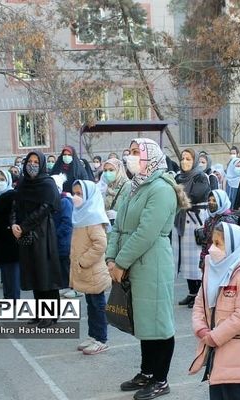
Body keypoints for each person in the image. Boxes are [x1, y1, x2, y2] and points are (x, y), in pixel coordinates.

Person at [108, 138, 188, 399]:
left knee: (158, 321)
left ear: (150, 156)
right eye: (129, 152)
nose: (129, 157)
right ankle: (147, 371)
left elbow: (146, 232)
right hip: (130, 261)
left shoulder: (161, 189)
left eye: (135, 152)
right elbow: (118, 226)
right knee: (143, 319)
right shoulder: (134, 186)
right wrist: (111, 258)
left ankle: (161, 378)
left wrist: (120, 262)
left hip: (151, 262)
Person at [190, 222, 240, 400]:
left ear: (233, 247)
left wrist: (215, 336)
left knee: (236, 395)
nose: (212, 249)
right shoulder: (212, 269)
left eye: (218, 244)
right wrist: (200, 329)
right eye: (212, 243)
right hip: (214, 349)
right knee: (217, 393)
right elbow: (200, 303)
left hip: (237, 351)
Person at [11, 151, 62, 329]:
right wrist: (14, 225)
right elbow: (15, 205)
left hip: (42, 233)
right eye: (29, 161)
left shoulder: (47, 183)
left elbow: (46, 208)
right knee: (32, 271)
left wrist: (23, 226)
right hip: (25, 233)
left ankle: (51, 315)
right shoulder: (23, 183)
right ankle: (39, 313)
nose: (32, 164)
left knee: (44, 272)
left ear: (41, 164)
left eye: (35, 161)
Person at [70, 179, 111, 355]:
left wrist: (83, 261)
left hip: (93, 271)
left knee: (98, 306)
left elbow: (100, 244)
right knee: (91, 305)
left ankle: (101, 339)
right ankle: (93, 335)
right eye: (75, 193)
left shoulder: (93, 217)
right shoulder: (81, 215)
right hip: (86, 273)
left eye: (80, 194)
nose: (76, 197)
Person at [174, 148, 211, 309]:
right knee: (185, 258)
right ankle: (191, 292)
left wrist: (177, 195)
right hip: (181, 219)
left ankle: (199, 293)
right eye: (183, 158)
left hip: (195, 220)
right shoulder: (178, 176)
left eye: (188, 159)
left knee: (196, 257)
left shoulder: (201, 177)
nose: (184, 162)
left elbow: (194, 196)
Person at [0, 170, 20, 299]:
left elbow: (15, 216)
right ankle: (8, 298)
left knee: (13, 274)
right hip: (0, 240)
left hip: (11, 240)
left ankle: (14, 299)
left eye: (2, 179)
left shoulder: (12, 195)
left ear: (8, 181)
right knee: (5, 274)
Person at [50, 174, 77, 299]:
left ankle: (73, 286)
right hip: (58, 240)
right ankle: (65, 284)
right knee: (62, 263)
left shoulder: (65, 202)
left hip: (64, 240)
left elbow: (67, 222)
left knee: (67, 263)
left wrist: (55, 235)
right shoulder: (54, 202)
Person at [200, 190, 238, 270]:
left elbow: (229, 246)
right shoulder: (209, 220)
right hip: (209, 261)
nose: (211, 203)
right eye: (209, 200)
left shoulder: (228, 220)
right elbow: (205, 242)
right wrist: (203, 260)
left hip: (223, 263)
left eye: (214, 200)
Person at [100, 158, 129, 224]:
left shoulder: (128, 186)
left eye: (111, 170)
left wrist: (118, 215)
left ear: (119, 170)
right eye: (105, 170)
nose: (107, 173)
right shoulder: (108, 187)